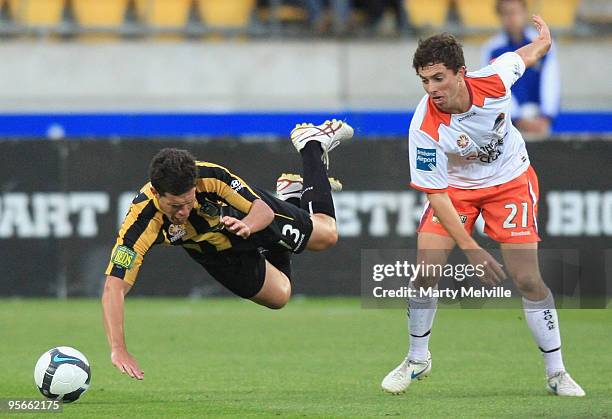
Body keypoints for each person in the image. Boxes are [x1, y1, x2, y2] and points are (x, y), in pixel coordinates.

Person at [380, 16, 585, 396]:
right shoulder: (424, 127)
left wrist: (545, 41)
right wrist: (472, 249)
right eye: (425, 81)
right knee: (426, 268)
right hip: (455, 191)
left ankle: (556, 372)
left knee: (527, 279)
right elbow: (436, 195)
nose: (432, 89)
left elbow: (524, 56)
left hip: (509, 181)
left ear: (461, 73)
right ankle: (417, 357)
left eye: (438, 78)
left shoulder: (493, 79)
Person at [101, 119, 353, 380]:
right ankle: (290, 196)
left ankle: (311, 143)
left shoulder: (210, 177)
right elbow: (114, 287)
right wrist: (118, 349)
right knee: (280, 296)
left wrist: (246, 226)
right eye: (175, 206)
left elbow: (262, 212)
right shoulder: (140, 222)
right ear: (156, 192)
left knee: (326, 236)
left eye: (189, 202)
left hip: (245, 218)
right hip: (211, 250)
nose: (184, 212)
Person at [481, 0, 560, 139]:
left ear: (524, 13)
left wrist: (546, 116)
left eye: (515, 12)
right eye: (506, 13)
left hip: (541, 122)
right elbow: (495, 86)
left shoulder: (541, 43)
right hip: (509, 124)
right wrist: (517, 118)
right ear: (499, 16)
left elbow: (551, 82)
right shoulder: (492, 48)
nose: (511, 18)